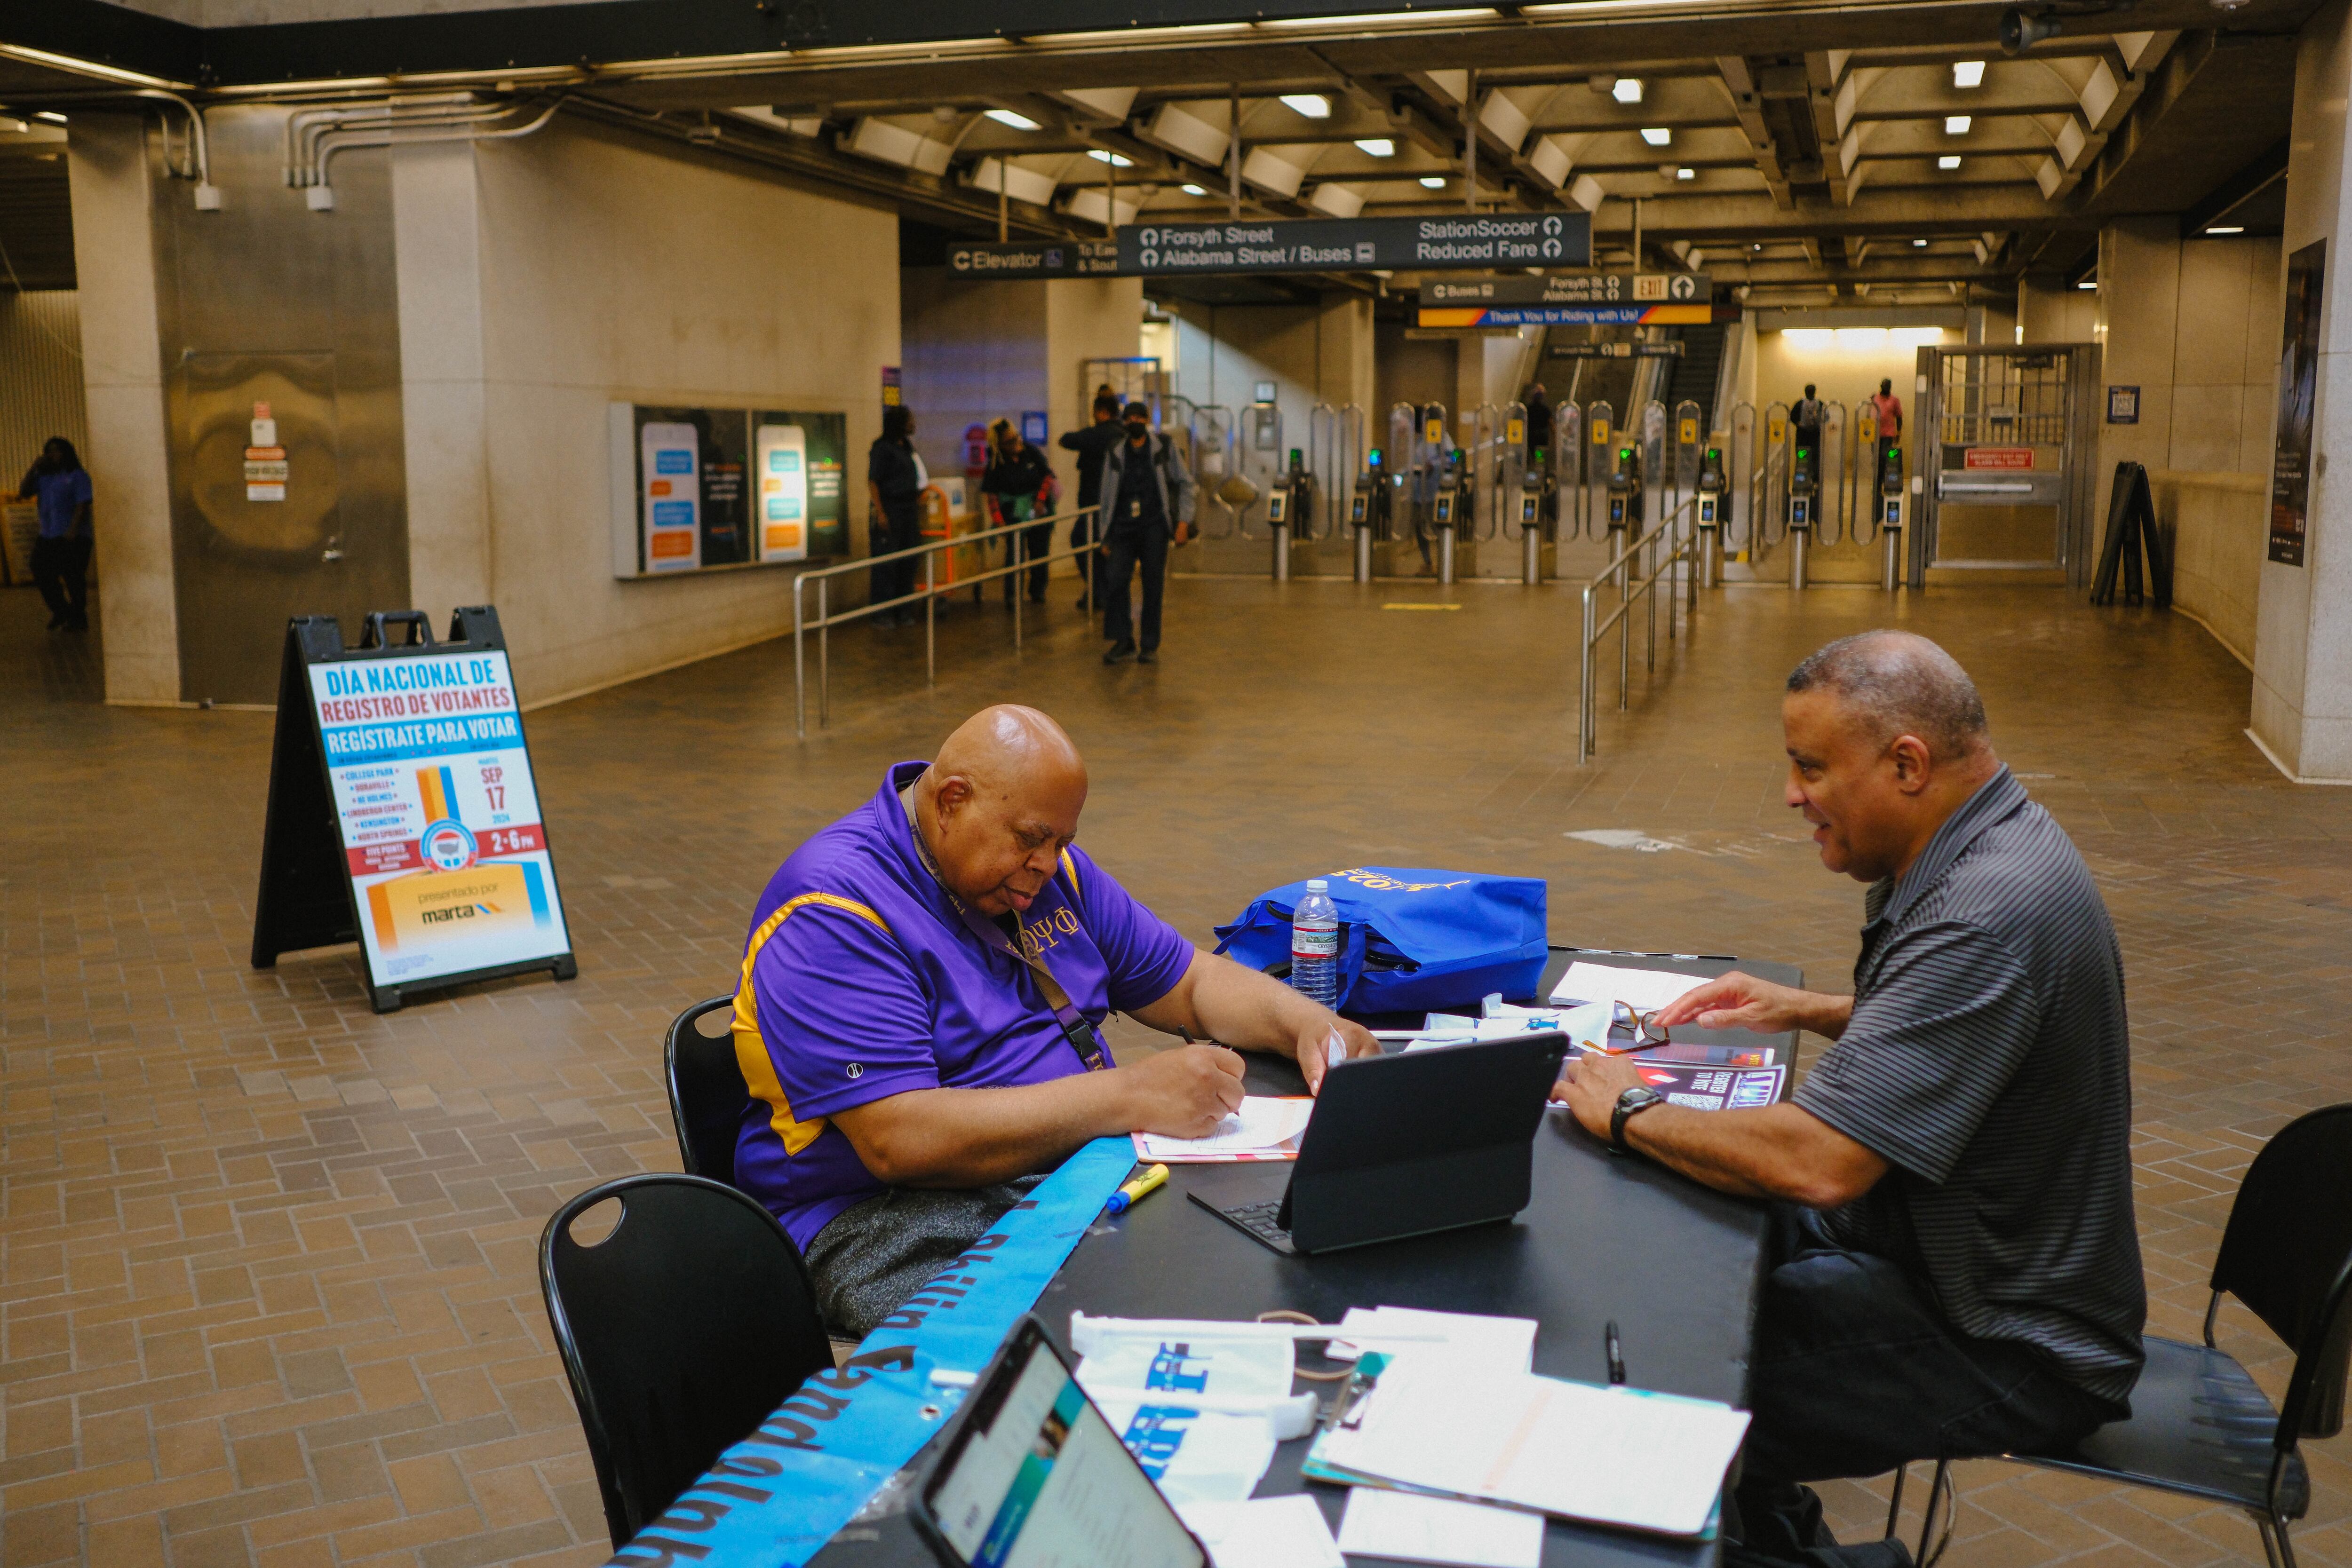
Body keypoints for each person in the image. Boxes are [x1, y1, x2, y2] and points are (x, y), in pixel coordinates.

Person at [1556, 631, 2144, 1568]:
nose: (1793, 795)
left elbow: (1821, 1163)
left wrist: (1631, 1111)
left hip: (2014, 1339)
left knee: (1668, 1392)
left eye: (1810, 767)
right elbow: (1971, 1022)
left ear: (1905, 762)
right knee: (1703, 1255)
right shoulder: (1990, 838)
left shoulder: (1984, 909)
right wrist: (1817, 1007)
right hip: (1949, 1261)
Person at [732, 704, 1380, 1336]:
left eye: (1061, 841)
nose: (1047, 863)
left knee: (1257, 1235)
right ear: (951, 800)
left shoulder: (1041, 870)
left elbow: (1191, 981)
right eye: (1031, 839)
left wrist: (1308, 1025)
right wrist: (1131, 1094)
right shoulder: (832, 907)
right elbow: (899, 1139)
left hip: (1062, 1162)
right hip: (883, 1217)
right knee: (1107, 1326)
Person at [1097, 402, 1193, 665]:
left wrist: (1183, 521)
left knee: (1153, 585)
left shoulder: (1163, 447)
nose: (1134, 422)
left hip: (1154, 527)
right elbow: (1106, 496)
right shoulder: (1116, 452)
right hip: (1122, 528)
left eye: (1140, 417)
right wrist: (1104, 535)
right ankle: (1123, 640)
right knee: (1116, 580)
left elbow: (1185, 483)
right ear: (1124, 422)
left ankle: (1149, 645)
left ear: (1147, 420)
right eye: (1129, 418)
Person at [17, 437, 94, 632]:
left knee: (73, 576)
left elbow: (82, 504)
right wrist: (33, 468)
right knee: (40, 570)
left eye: (57, 451)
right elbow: (24, 492)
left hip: (72, 535)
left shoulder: (78, 476)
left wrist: (73, 529)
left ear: (66, 453)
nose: (53, 455)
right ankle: (62, 610)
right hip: (49, 533)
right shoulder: (44, 477)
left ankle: (78, 617)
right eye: (49, 451)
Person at [1059, 393, 1123, 611]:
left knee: (1081, 541)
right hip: (1116, 504)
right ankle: (1099, 590)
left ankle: (1099, 590)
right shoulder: (1124, 435)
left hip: (1094, 505)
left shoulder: (1098, 434)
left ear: (1102, 413)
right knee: (1104, 548)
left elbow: (1066, 440)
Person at [981, 419, 1055, 606]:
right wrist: (999, 522)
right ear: (1000, 445)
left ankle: (1038, 592)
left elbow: (1047, 476)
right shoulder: (995, 463)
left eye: (1016, 439)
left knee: (1040, 552)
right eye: (1010, 442)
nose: (1017, 444)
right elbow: (992, 496)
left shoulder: (1031, 452)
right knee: (1015, 555)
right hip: (1012, 513)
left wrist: (1040, 499)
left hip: (1037, 509)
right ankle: (1013, 596)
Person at [866, 406, 924, 626]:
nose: (913, 423)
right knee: (887, 564)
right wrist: (880, 512)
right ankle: (882, 613)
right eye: (910, 420)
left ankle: (904, 610)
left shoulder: (907, 447)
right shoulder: (882, 449)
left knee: (909, 560)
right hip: (891, 509)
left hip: (909, 509)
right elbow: (873, 481)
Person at [1868, 377, 1904, 481]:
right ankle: (1877, 483)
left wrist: (1899, 432)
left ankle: (1882, 480)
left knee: (1884, 456)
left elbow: (1899, 416)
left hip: (1888, 434)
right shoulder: (1875, 399)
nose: (1886, 388)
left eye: (1888, 386)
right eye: (1884, 385)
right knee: (1876, 459)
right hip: (1875, 434)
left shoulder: (1895, 400)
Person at [1791, 383, 1825, 489]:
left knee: (1814, 458)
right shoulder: (1801, 404)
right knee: (1803, 458)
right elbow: (1793, 416)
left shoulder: (1819, 404)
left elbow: (1826, 416)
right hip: (1804, 436)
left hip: (1813, 436)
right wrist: (1799, 423)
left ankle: (1814, 480)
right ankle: (1802, 479)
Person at [1521, 382, 1552, 467]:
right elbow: (1551, 423)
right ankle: (1539, 468)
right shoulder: (1545, 409)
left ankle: (1533, 466)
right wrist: (1554, 434)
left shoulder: (1528, 409)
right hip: (1542, 436)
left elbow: (1524, 422)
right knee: (1540, 455)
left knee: (1532, 453)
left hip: (1531, 435)